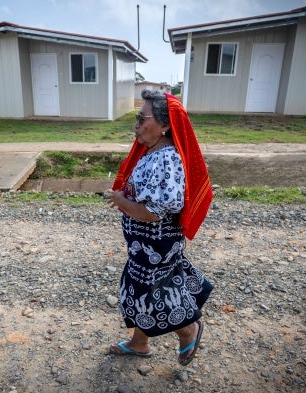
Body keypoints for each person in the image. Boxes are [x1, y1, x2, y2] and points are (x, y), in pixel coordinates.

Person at [106, 89, 214, 366]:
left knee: (149, 294)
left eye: (143, 119)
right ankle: (139, 343)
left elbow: (154, 212)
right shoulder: (152, 152)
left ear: (165, 125)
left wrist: (121, 201)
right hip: (147, 246)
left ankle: (188, 329)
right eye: (137, 118)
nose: (137, 125)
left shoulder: (166, 160)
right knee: (143, 289)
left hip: (157, 244)